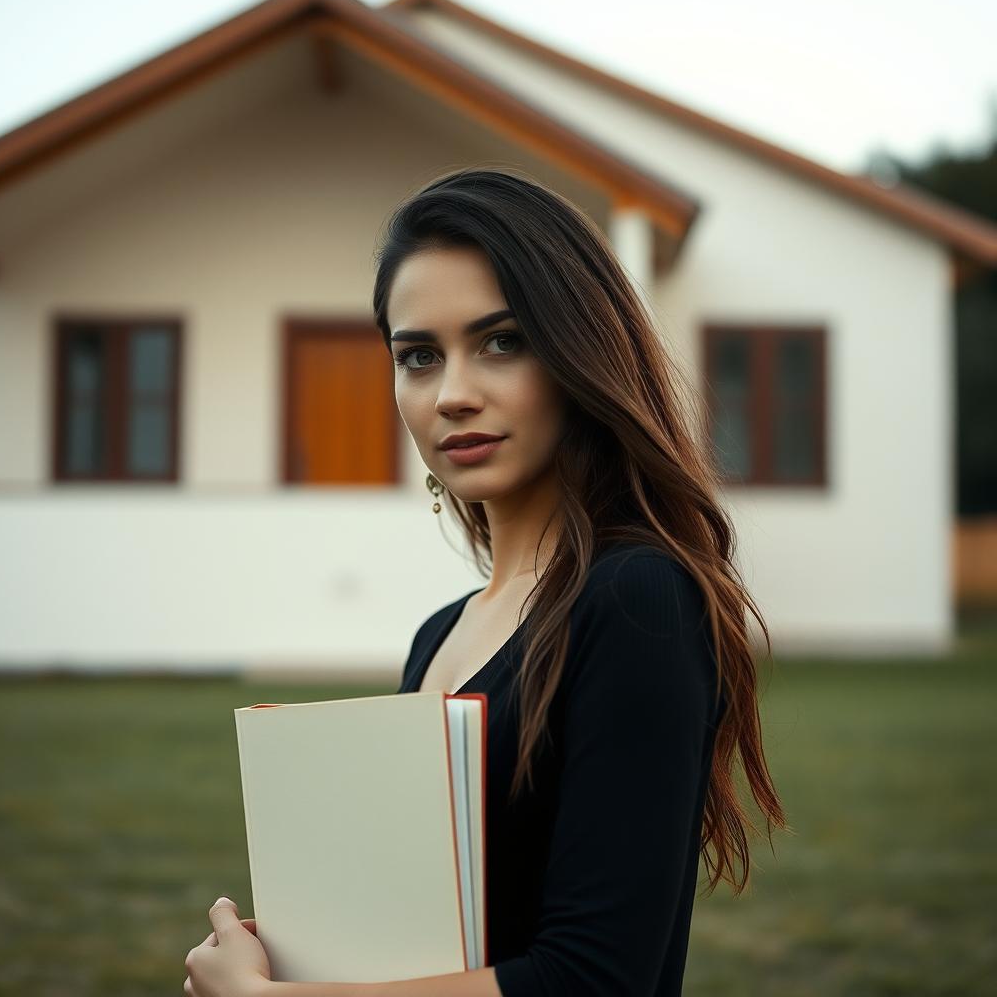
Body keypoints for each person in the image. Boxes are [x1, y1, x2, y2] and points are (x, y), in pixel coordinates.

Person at [184, 167, 787, 997]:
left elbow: (595, 980)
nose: (453, 394)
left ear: (583, 353)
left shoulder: (637, 598)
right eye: (419, 357)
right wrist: (291, 952)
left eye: (502, 341)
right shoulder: (439, 634)